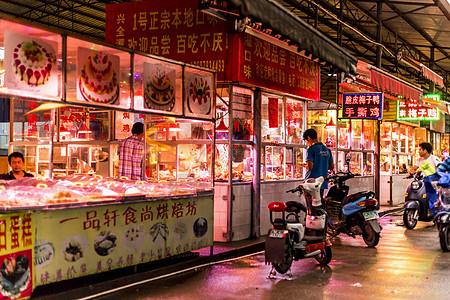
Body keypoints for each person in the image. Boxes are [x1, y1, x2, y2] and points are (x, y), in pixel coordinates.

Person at [409, 142, 442, 216]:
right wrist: (410, 172)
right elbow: (414, 168)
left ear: (425, 151)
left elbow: (440, 166)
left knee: (432, 198)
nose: (418, 151)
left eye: (420, 149)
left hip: (433, 182)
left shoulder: (434, 158)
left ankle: (435, 214)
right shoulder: (420, 160)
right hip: (423, 181)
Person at [303, 128, 334, 199]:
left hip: (311, 182)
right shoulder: (327, 150)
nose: (307, 142)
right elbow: (331, 166)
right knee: (319, 203)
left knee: (310, 206)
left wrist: (304, 165)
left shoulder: (311, 149)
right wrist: (322, 164)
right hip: (322, 182)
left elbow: (310, 167)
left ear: (308, 138)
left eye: (306, 140)